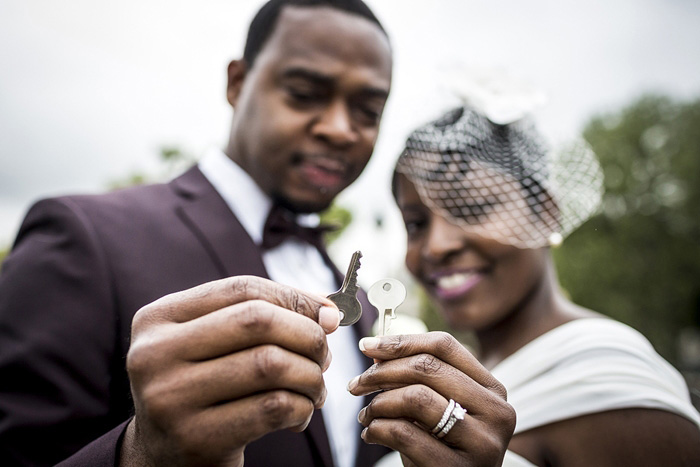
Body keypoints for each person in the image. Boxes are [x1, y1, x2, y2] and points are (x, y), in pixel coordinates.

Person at [0, 2, 517, 466]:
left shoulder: (353, 297)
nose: (341, 128)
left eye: (367, 111)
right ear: (237, 83)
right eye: (304, 93)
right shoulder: (84, 237)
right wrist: (140, 455)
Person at [360, 105, 700, 466]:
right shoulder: (460, 370)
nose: (437, 246)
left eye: (471, 208)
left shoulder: (614, 387)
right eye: (416, 224)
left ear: (545, 213)